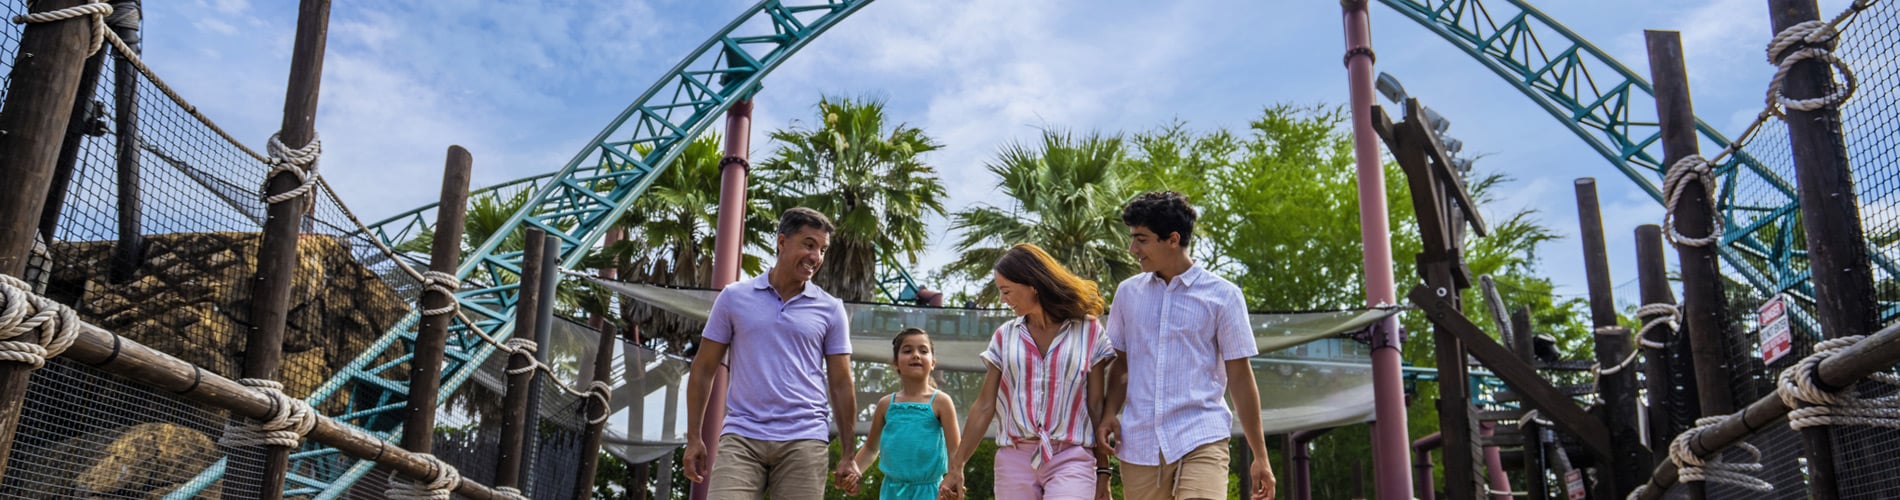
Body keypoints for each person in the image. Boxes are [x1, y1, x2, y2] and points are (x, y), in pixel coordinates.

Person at [1098, 191, 1276, 500]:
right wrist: (1110, 411)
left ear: (1173, 239)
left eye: (1141, 239)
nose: (1132, 249)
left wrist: (1260, 456)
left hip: (1202, 436)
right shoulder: (1127, 294)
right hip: (1139, 446)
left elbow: (1240, 376)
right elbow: (1121, 364)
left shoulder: (1224, 296)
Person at [682, 207, 859, 499]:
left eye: (822, 249)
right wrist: (693, 438)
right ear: (782, 242)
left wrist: (849, 454)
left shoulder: (831, 309)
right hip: (741, 436)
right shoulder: (734, 297)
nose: (816, 257)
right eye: (809, 245)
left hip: (805, 438)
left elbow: (841, 383)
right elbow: (703, 369)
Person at [942, 244, 1115, 500]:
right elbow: (985, 406)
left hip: (1071, 456)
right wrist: (957, 466)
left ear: (1033, 284)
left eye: (1006, 291)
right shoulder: (1004, 336)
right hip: (1014, 458)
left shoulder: (1089, 331)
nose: (1003, 299)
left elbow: (1096, 406)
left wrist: (1103, 472)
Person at [847, 328, 961, 499]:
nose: (916, 355)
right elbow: (871, 448)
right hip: (891, 493)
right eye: (908, 351)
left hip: (931, 493)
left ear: (933, 363)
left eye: (923, 351)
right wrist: (853, 473)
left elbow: (955, 451)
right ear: (896, 363)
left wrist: (954, 479)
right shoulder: (885, 405)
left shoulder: (942, 402)